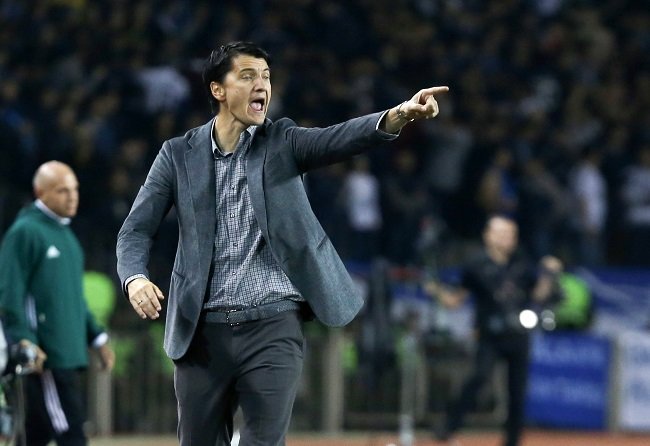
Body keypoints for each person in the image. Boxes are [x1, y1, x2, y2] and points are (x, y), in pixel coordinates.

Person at [116, 41, 448, 446]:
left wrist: (397, 115)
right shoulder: (177, 155)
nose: (262, 85)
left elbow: (337, 139)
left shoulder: (283, 140)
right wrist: (134, 278)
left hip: (273, 327)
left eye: (266, 77)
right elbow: (135, 230)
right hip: (201, 333)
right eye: (248, 76)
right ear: (218, 89)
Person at [0, 160, 115, 446]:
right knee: (72, 434)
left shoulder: (66, 235)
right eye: (63, 190)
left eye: (74, 189)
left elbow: (74, 297)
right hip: (47, 357)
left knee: (36, 435)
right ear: (41, 192)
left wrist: (97, 337)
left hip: (68, 352)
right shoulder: (25, 232)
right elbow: (9, 291)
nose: (72, 196)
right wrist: (24, 340)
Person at [426, 214, 562, 446]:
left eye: (510, 234)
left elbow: (538, 295)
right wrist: (436, 290)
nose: (507, 238)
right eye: (501, 233)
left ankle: (512, 440)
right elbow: (455, 300)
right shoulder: (475, 265)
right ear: (487, 236)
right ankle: (448, 426)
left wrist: (549, 275)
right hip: (490, 335)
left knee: (517, 391)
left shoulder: (522, 263)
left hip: (518, 335)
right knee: (479, 378)